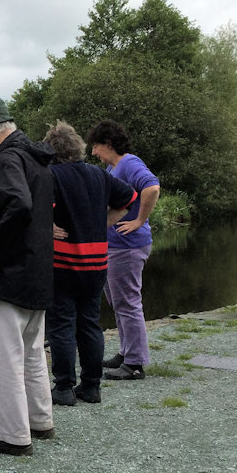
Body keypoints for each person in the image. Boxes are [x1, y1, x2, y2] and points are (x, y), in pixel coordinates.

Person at [0, 97, 56, 457]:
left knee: (1, 357)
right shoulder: (36, 158)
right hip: (36, 274)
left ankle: (11, 435)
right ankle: (39, 420)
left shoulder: (8, 159)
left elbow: (18, 204)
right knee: (32, 352)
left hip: (8, 277)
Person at [44, 121, 136, 406]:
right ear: (77, 147)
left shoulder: (51, 175)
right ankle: (92, 387)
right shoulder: (98, 174)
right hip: (96, 263)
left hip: (63, 262)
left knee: (61, 325)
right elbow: (129, 200)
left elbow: (31, 211)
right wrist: (102, 222)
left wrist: (47, 227)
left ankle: (63, 388)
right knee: (89, 324)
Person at [85, 121, 161, 380]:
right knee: (118, 302)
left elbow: (151, 187)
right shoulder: (114, 166)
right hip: (115, 247)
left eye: (95, 145)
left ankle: (135, 363)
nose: (93, 152)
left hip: (128, 247)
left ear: (108, 144)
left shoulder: (129, 164)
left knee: (128, 303)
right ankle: (126, 353)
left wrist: (139, 220)